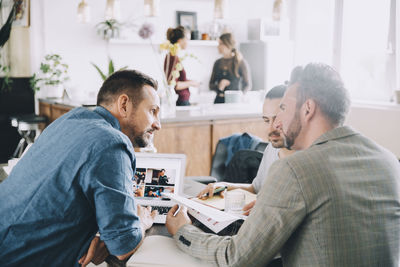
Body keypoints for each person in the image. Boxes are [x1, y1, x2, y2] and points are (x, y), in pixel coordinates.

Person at [166, 63, 400, 266]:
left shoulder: (294, 170)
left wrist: (183, 231)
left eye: (284, 108)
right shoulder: (388, 160)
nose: (278, 120)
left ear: (307, 109)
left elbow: (236, 258)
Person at [0, 70, 161, 266]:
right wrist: (141, 222)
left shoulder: (71, 119)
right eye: (153, 111)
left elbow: (63, 194)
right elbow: (123, 246)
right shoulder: (112, 143)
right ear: (124, 104)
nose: (157, 124)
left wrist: (102, 235)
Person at [197, 84, 294, 215]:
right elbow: (255, 188)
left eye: (277, 120)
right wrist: (224, 186)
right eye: (266, 120)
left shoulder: (301, 162)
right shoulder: (272, 148)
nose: (270, 129)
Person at [209, 33, 251, 104]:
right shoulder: (217, 63)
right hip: (219, 101)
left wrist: (240, 95)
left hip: (234, 102)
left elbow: (247, 85)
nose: (218, 47)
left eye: (220, 44)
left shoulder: (240, 62)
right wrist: (219, 86)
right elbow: (211, 85)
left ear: (228, 44)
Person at [164, 26, 200, 106]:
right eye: (187, 39)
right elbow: (175, 85)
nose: (188, 42)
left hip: (183, 100)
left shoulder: (174, 57)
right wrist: (191, 83)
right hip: (180, 101)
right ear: (180, 41)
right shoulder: (172, 58)